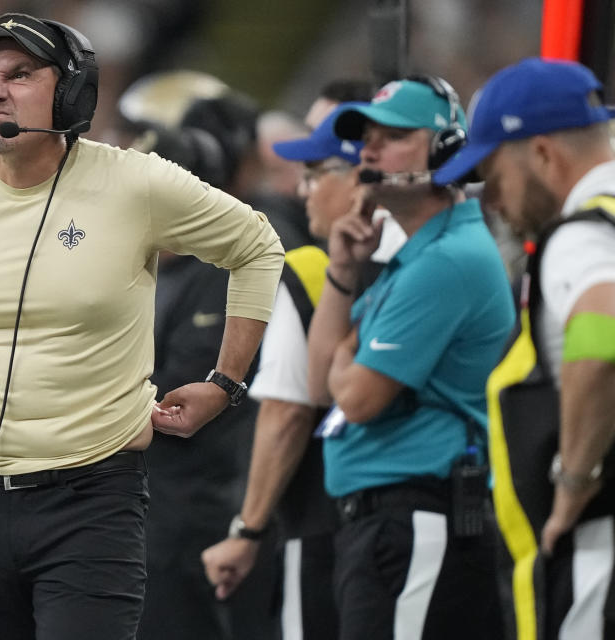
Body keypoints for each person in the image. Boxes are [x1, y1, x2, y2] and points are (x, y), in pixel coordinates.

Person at [0, 13, 283, 640]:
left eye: (20, 74)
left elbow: (258, 247)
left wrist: (226, 382)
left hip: (91, 500)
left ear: (71, 93)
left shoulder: (134, 182)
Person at [305, 76, 515, 639]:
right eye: (367, 136)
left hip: (414, 518)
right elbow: (320, 386)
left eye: (393, 135)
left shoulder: (445, 261)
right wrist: (343, 270)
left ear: (446, 150)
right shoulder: (416, 255)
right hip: (389, 523)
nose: (369, 150)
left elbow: (356, 397)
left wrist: (349, 354)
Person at [201, 102, 405, 640]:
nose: (303, 189)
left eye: (317, 174)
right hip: (394, 519)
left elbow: (290, 410)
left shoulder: (309, 268)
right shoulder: (411, 260)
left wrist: (248, 529)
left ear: (361, 176)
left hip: (319, 521)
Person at [433, 57, 615, 640]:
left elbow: (603, 338)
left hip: (597, 549)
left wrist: (575, 480)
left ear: (541, 154)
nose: (497, 203)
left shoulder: (582, 236)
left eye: (495, 176)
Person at [119, 73, 281, 640]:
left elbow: (183, 389)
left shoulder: (249, 257)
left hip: (205, 520)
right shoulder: (153, 265)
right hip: (150, 515)